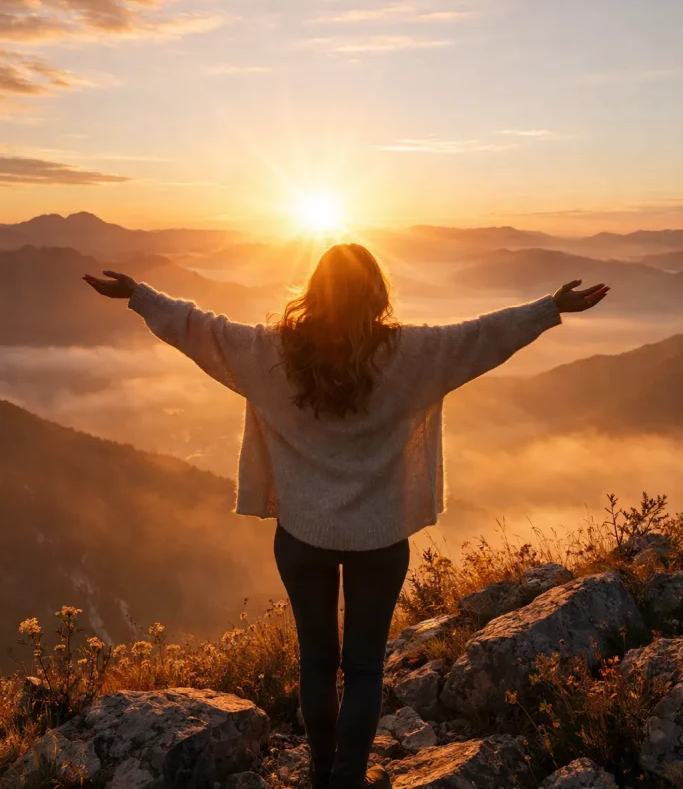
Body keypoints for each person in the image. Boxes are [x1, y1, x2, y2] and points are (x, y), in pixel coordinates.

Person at [83, 244, 609, 789]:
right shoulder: (409, 354)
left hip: (302, 537)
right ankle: (348, 780)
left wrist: (140, 296)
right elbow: (481, 336)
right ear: (377, 294)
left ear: (314, 290)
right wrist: (551, 308)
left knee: (316, 659)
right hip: (380, 540)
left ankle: (319, 771)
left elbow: (200, 329)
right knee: (363, 668)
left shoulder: (272, 353)